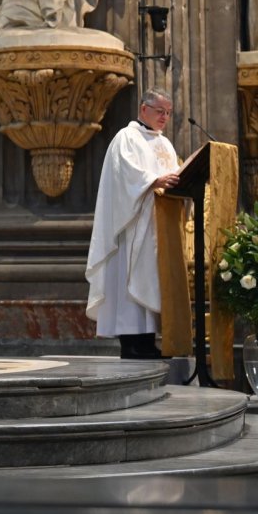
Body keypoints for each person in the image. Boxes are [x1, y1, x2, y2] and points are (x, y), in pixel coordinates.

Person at [85, 88, 181, 360]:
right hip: (131, 224)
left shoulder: (165, 144)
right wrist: (154, 181)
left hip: (156, 225)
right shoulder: (126, 138)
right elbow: (125, 175)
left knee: (149, 283)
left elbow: (174, 175)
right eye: (160, 111)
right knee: (130, 282)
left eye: (168, 113)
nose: (164, 117)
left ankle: (148, 342)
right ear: (143, 110)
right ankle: (131, 344)